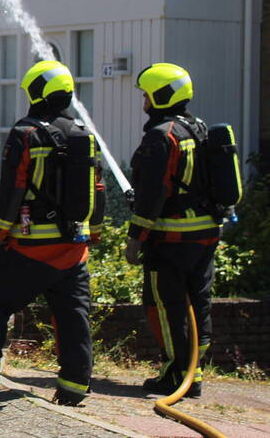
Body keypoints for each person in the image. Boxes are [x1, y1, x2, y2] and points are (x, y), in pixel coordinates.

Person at [0, 59, 104, 406]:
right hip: (73, 250)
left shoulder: (26, 133)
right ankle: (75, 387)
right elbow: (98, 188)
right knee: (73, 317)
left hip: (30, 247)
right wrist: (92, 232)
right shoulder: (84, 135)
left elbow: (13, 188)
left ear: (38, 93)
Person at [125, 63, 217, 398]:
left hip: (171, 237)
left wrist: (136, 237)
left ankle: (176, 372)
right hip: (205, 234)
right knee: (199, 302)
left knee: (165, 305)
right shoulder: (198, 128)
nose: (145, 101)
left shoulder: (161, 135)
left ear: (162, 96)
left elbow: (153, 194)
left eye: (148, 95)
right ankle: (195, 371)